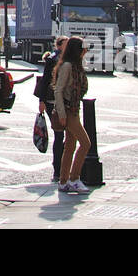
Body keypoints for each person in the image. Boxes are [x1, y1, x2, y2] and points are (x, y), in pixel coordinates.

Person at [52, 36, 92, 193]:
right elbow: (58, 90)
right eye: (83, 49)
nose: (85, 51)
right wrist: (61, 113)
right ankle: (74, 178)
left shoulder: (76, 65)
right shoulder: (68, 66)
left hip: (74, 109)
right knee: (85, 143)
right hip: (68, 110)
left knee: (70, 146)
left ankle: (63, 181)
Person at [38, 37, 69, 183]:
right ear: (58, 46)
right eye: (65, 44)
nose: (68, 46)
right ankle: (58, 169)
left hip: (65, 103)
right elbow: (45, 81)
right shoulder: (53, 59)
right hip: (52, 102)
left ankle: (62, 168)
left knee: (63, 136)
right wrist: (42, 101)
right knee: (59, 135)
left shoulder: (70, 59)